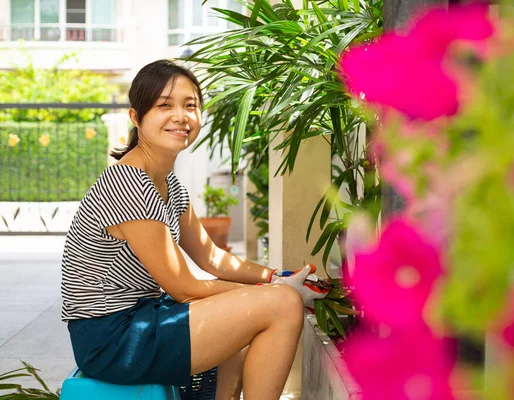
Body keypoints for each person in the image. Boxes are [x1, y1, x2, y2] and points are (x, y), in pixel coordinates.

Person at [60, 59, 328, 400]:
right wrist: (272, 292)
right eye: (164, 106)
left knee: (256, 313)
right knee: (280, 306)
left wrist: (276, 277)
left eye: (190, 105)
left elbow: (212, 256)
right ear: (135, 118)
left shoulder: (167, 182)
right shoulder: (128, 185)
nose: (180, 116)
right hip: (114, 338)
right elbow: (184, 287)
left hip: (142, 319)